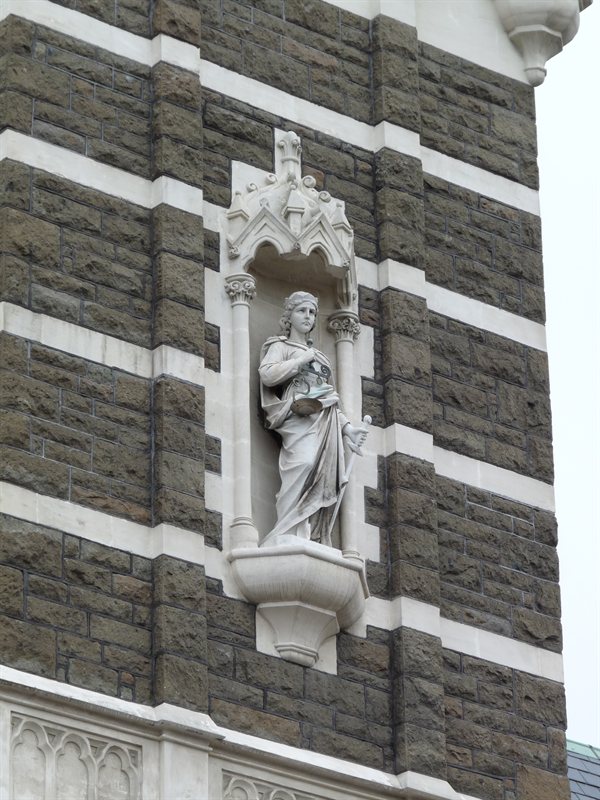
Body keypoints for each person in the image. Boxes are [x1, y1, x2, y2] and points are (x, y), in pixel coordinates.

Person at [258, 291, 367, 546]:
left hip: (322, 419)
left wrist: (347, 429)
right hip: (295, 416)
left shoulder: (321, 358)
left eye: (312, 312)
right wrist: (299, 361)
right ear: (289, 316)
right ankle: (286, 530)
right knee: (304, 464)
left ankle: (306, 532)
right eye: (301, 311)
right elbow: (268, 375)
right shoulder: (280, 347)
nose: (308, 316)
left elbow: (329, 397)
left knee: (321, 474)